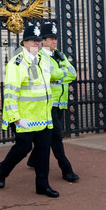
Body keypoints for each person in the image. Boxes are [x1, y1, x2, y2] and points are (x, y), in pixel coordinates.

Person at [0, 23, 59, 198]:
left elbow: (50, 83)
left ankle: (42, 185)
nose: (36, 44)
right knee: (23, 148)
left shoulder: (44, 60)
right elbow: (10, 93)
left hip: (44, 117)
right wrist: (15, 117)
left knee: (43, 150)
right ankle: (3, 169)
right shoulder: (16, 63)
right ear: (24, 43)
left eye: (38, 41)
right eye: (32, 41)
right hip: (25, 117)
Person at [26, 22, 79, 183]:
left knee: (49, 136)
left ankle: (33, 159)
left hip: (61, 101)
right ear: (43, 40)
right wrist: (62, 73)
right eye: (51, 39)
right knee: (57, 137)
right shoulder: (40, 56)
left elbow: (73, 74)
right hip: (48, 102)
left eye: (55, 39)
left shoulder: (60, 55)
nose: (54, 42)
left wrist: (59, 73)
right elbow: (48, 75)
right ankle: (66, 169)